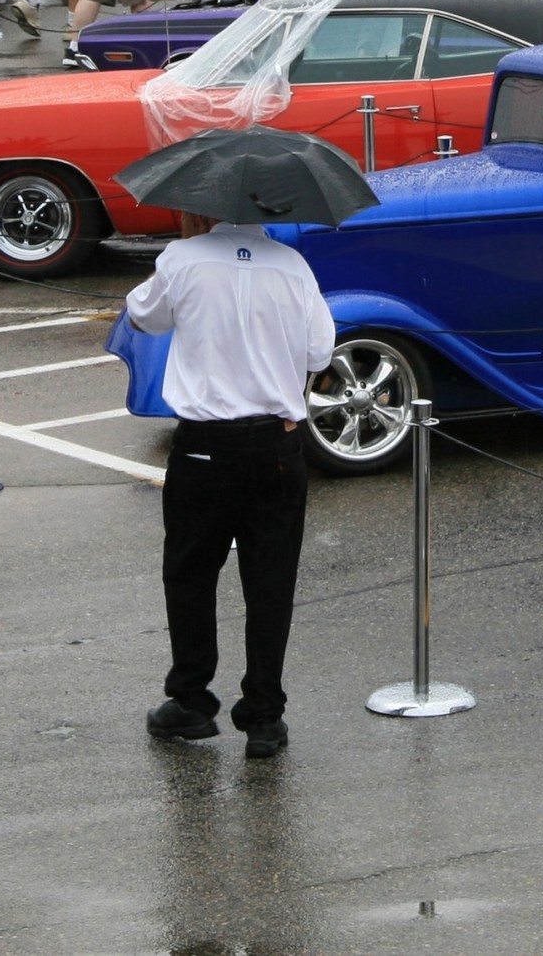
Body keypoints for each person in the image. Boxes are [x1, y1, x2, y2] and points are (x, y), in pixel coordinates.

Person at [127, 209, 333, 760]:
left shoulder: (183, 258)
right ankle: (264, 717)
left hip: (203, 444)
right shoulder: (293, 266)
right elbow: (319, 352)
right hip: (276, 443)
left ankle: (192, 700)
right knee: (270, 579)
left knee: (191, 572)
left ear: (201, 206)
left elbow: (143, 317)